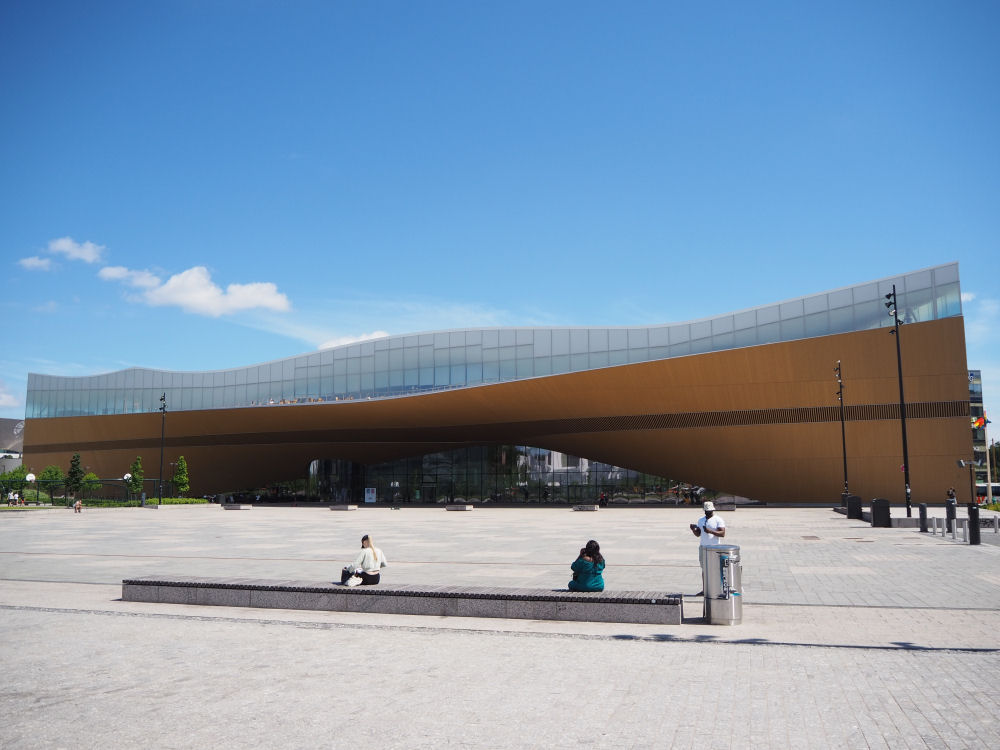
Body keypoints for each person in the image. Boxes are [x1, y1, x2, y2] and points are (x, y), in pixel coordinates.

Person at [690, 500, 726, 595]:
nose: (708, 512)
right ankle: (705, 590)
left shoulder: (718, 519)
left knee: (716, 569)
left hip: (715, 548)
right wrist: (694, 530)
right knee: (704, 569)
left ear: (713, 510)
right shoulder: (701, 520)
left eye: (709, 511)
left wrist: (710, 531)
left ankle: (717, 589)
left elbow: (722, 533)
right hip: (703, 547)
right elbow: (698, 534)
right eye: (706, 511)